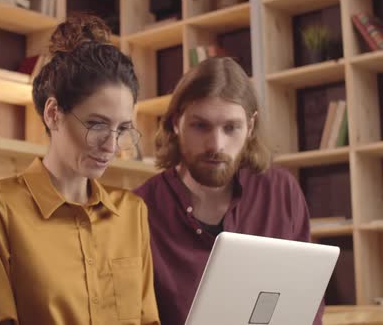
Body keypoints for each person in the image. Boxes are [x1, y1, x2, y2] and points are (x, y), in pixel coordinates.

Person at [0, 14, 160, 325]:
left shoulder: (132, 213)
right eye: (97, 124)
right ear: (53, 113)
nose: (111, 146)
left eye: (122, 129)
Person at [134, 57, 325, 325]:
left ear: (250, 127)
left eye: (231, 127)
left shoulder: (281, 191)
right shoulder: (140, 209)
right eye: (200, 126)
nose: (216, 144)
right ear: (177, 123)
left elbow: (307, 300)